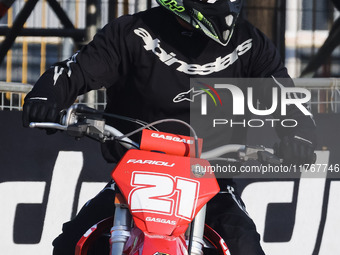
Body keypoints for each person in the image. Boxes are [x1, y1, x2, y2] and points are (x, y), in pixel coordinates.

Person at [22, 0, 316, 254]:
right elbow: (76, 70)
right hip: (135, 179)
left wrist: (298, 136)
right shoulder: (132, 32)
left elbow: (287, 102)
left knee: (246, 248)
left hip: (209, 182)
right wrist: (46, 96)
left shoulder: (250, 43)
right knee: (70, 245)